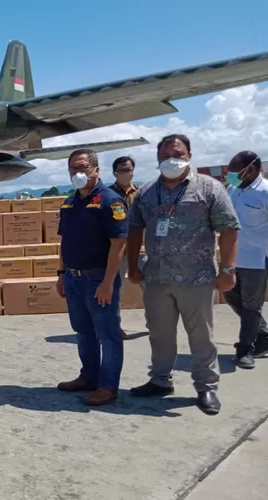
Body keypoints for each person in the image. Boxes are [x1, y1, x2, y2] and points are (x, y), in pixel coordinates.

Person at [127, 134, 240, 415]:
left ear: (189, 155)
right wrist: (132, 265)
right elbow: (134, 230)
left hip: (197, 279)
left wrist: (228, 268)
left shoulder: (209, 189)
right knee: (159, 334)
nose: (171, 159)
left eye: (177, 153)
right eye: (165, 155)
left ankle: (206, 387)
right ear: (157, 159)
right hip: (156, 278)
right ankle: (160, 380)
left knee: (201, 335)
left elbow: (229, 229)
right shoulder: (146, 192)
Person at [54, 150, 128, 406]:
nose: (78, 173)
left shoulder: (111, 201)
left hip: (98, 279)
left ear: (96, 169)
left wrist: (108, 283)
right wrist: (61, 274)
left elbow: (118, 245)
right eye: (73, 169)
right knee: (83, 331)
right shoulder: (69, 203)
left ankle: (108, 386)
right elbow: (64, 242)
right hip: (73, 279)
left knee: (107, 334)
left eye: (83, 167)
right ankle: (89, 377)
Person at [223, 151, 268, 368]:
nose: (230, 175)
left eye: (234, 171)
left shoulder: (265, 192)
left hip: (257, 259)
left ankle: (245, 350)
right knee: (230, 295)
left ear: (250, 169)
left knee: (252, 305)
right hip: (233, 257)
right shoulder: (233, 189)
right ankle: (263, 335)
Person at [110, 156, 139, 340]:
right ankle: (115, 326)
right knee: (115, 290)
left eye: (128, 170)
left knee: (152, 289)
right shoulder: (108, 194)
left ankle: (156, 325)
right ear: (114, 173)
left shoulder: (141, 193)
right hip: (117, 249)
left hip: (140, 247)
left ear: (133, 171)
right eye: (121, 170)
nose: (125, 173)